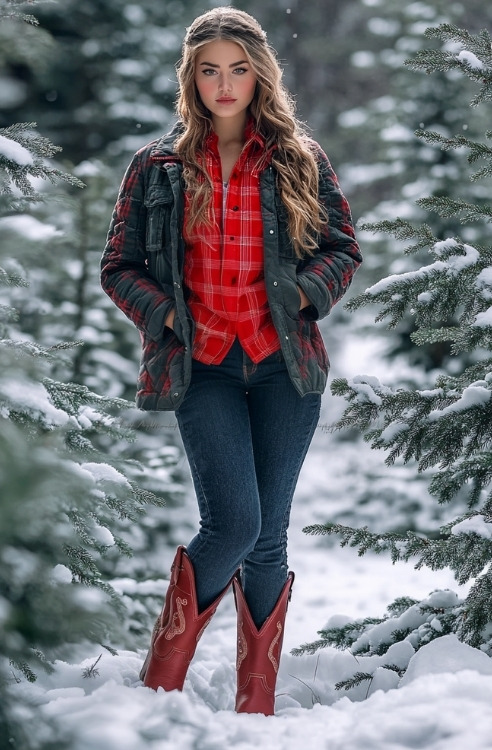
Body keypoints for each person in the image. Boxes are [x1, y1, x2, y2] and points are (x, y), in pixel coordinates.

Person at [101, 6, 362, 715]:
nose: (224, 84)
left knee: (269, 538)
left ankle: (255, 706)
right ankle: (159, 686)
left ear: (258, 75)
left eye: (238, 69)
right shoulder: (155, 168)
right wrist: (165, 316)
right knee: (234, 525)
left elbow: (343, 250)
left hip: (286, 368)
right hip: (203, 367)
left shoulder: (298, 158)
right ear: (192, 77)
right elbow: (119, 267)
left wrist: (306, 295)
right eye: (210, 70)